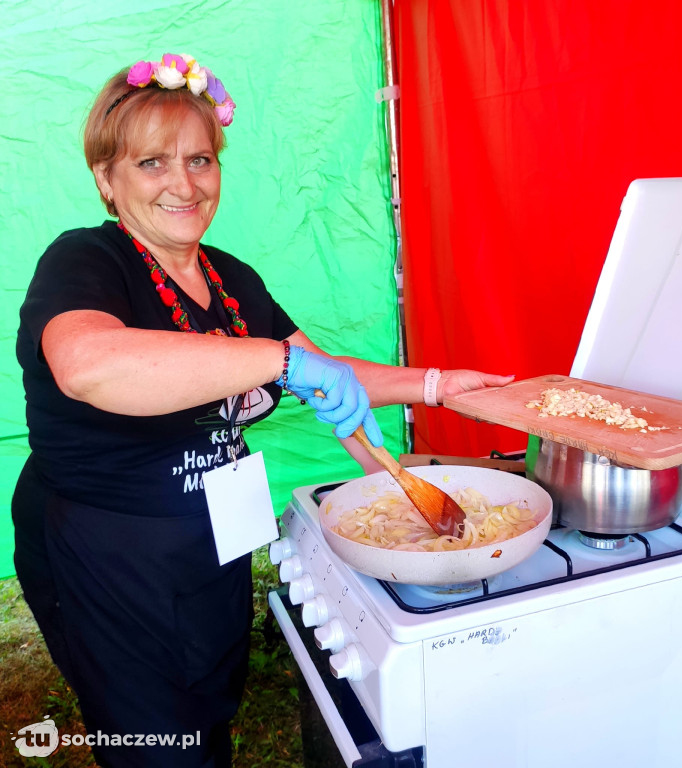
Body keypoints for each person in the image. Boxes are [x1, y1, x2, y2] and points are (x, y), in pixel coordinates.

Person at [12, 52, 513, 768]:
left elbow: (327, 375)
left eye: (199, 160)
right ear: (106, 179)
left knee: (211, 697)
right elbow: (90, 366)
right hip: (108, 551)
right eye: (152, 163)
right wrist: (282, 362)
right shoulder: (86, 261)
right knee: (155, 740)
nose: (183, 184)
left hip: (212, 532)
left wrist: (434, 384)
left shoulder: (231, 276)